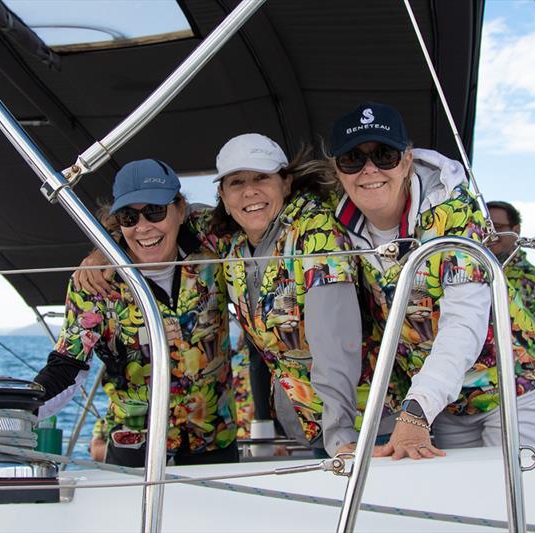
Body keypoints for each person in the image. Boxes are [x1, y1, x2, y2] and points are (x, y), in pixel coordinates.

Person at [325, 102, 535, 459]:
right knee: (462, 502)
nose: (369, 169)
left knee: (513, 498)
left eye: (384, 155)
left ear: (406, 160)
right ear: (338, 171)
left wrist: (417, 410)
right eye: (352, 159)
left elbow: (464, 321)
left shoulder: (454, 213)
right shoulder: (332, 228)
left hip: (516, 387)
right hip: (447, 405)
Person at [33, 159, 238, 467]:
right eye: (130, 217)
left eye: (155, 211)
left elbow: (248, 217)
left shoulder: (212, 247)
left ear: (180, 210)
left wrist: (102, 246)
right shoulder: (94, 283)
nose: (143, 226)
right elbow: (68, 364)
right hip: (134, 448)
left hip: (214, 442)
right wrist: (18, 409)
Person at [210, 133, 362, 456]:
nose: (250, 190)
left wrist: (341, 437)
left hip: (358, 426)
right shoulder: (231, 245)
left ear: (286, 183)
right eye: (236, 182)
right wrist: (102, 251)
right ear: (223, 195)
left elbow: (334, 342)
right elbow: (166, 223)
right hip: (307, 425)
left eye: (261, 177)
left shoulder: (316, 231)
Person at [486, 200, 535, 344]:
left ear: (516, 230)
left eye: (497, 227)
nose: (489, 233)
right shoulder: (479, 270)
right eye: (484, 226)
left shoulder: (532, 282)